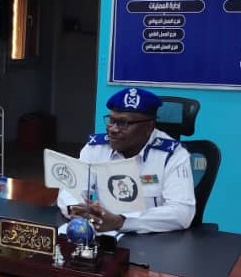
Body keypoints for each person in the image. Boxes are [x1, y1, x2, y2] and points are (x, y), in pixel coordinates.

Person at [57, 87, 196, 234]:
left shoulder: (172, 155)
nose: (113, 129)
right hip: (106, 235)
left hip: (154, 239)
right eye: (111, 121)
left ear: (148, 127)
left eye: (123, 123)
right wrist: (79, 209)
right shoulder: (96, 148)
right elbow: (70, 188)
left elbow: (182, 213)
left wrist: (121, 221)